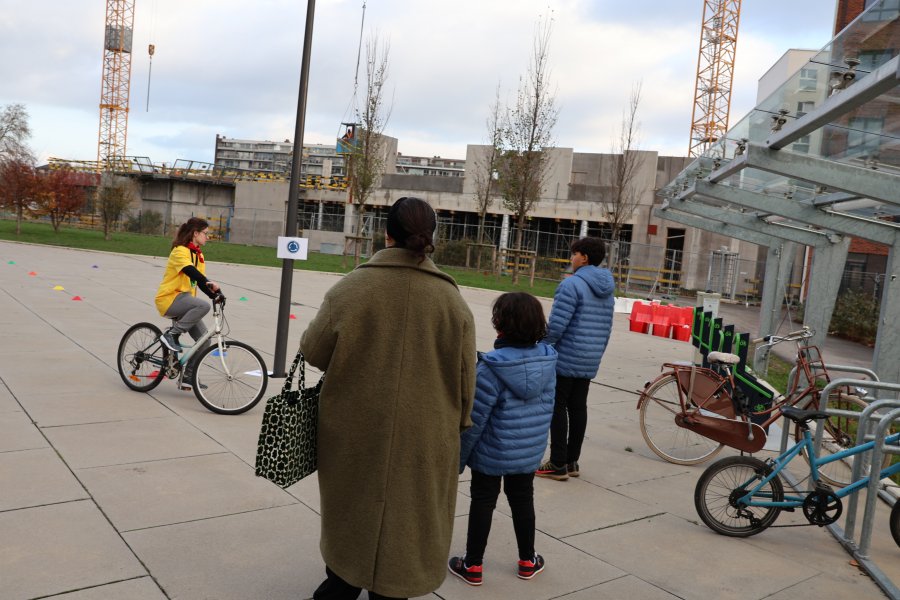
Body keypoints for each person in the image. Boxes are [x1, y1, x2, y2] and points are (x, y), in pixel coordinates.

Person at [300, 196, 477, 600]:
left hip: (354, 428)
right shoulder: (453, 302)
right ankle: (393, 586)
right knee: (408, 520)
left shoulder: (352, 288)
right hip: (427, 434)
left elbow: (313, 351)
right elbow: (468, 383)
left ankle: (342, 581)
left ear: (386, 232)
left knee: (351, 507)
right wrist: (459, 422)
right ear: (431, 236)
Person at [448, 292, 557, 586]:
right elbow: (548, 410)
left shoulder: (490, 367)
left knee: (483, 501)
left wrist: (458, 461)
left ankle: (472, 565)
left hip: (491, 453)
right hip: (527, 451)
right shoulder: (548, 362)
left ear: (500, 325)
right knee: (523, 500)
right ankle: (527, 560)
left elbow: (474, 421)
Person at [535, 237, 614, 481]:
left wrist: (541, 346)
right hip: (590, 357)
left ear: (584, 258)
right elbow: (607, 327)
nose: (572, 259)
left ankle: (557, 462)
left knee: (557, 407)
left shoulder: (571, 285)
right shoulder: (608, 290)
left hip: (566, 356)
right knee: (578, 407)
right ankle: (571, 461)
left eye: (574, 254)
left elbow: (557, 326)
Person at [154, 217, 223, 390]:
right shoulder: (180, 251)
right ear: (195, 233)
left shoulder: (198, 255)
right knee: (203, 306)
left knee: (204, 341)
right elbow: (189, 271)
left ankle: (187, 377)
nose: (208, 237)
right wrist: (208, 282)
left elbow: (200, 282)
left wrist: (216, 295)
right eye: (206, 234)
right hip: (170, 299)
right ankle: (171, 335)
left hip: (185, 302)